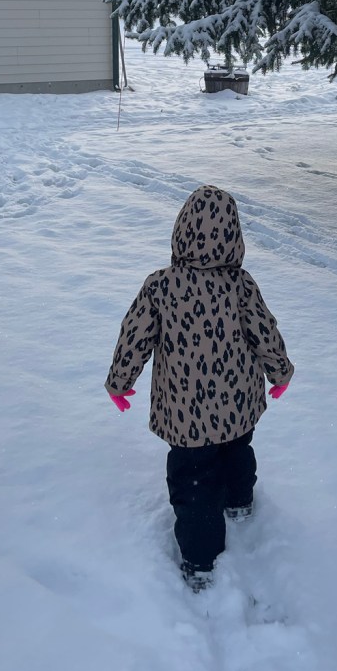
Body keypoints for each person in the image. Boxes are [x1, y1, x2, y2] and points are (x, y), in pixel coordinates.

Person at [105, 184, 294, 588]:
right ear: (233, 236)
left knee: (194, 482)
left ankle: (200, 560)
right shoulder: (240, 284)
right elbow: (265, 333)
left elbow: (133, 338)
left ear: (182, 231)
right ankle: (239, 502)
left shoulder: (161, 286)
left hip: (186, 414)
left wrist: (119, 382)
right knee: (237, 449)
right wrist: (279, 372)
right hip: (238, 402)